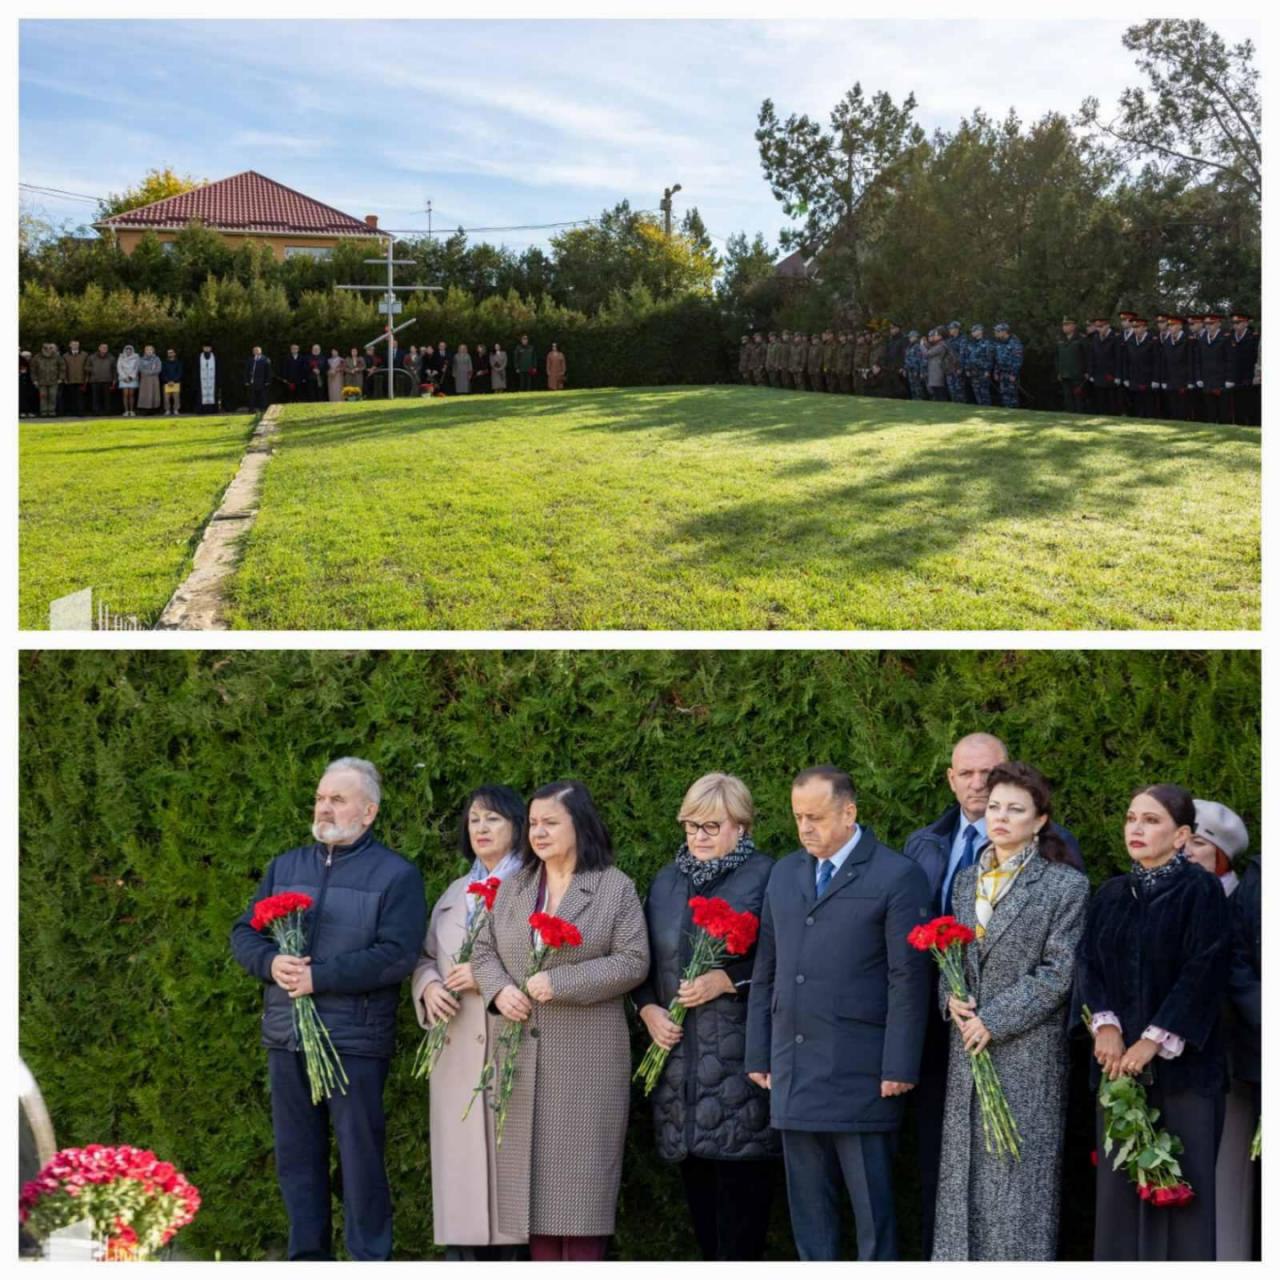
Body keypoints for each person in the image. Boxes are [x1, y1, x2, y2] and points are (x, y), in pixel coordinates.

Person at [229, 758, 427, 1261]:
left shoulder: (397, 875)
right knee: (297, 1162)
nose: (324, 806)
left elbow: (397, 955)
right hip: (286, 1035)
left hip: (354, 1042)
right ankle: (307, 1262)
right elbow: (243, 934)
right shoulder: (285, 866)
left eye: (338, 799)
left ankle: (368, 1262)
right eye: (321, 797)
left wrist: (321, 977)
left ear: (369, 812)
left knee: (360, 1163)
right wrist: (272, 964)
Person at [902, 732, 1082, 1258]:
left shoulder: (1063, 886)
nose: (1000, 816)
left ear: (1039, 820)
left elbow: (1058, 973)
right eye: (996, 807)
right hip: (967, 1049)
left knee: (1015, 1186)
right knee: (961, 1182)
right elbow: (950, 957)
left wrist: (994, 1020)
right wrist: (950, 1000)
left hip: (1025, 1055)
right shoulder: (964, 884)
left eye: (1015, 809)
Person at [745, 765, 931, 1261]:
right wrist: (758, 1053)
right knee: (809, 1212)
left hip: (863, 1070)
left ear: (849, 812)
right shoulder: (784, 872)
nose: (806, 828)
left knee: (873, 1211)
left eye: (817, 817)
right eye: (798, 817)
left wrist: (899, 1065)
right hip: (793, 1065)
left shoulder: (896, 875)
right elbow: (767, 968)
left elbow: (907, 978)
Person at [470, 780, 650, 1262]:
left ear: (580, 825)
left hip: (585, 1068)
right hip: (520, 1066)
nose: (538, 832)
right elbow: (484, 951)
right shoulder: (515, 888)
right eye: (533, 823)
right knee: (533, 1206)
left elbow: (634, 961)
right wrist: (499, 990)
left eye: (551, 822)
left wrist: (563, 982)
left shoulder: (614, 887)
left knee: (581, 1200)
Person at [1075, 784, 1230, 1261]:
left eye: (1151, 820)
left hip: (1184, 1073)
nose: (1136, 829)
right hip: (1117, 1068)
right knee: (1119, 1196)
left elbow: (1204, 970)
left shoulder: (1200, 889)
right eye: (1130, 819)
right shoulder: (1111, 894)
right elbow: (1088, 965)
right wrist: (1106, 1027)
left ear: (1182, 834)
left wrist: (1152, 1041)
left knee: (1184, 1194)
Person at [634, 773, 779, 1261]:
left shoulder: (767, 877)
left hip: (741, 1073)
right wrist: (648, 1008)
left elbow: (788, 965)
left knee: (741, 1232)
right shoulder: (665, 881)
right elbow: (641, 964)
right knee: (702, 1223)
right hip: (680, 1079)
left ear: (740, 826)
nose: (698, 835)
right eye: (691, 825)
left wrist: (728, 980)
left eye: (711, 826)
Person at [412, 786, 529, 1261]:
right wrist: (427, 987)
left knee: (511, 1191)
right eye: (475, 820)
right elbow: (423, 957)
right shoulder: (455, 892)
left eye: (493, 820)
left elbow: (548, 961)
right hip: (456, 1053)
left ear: (518, 827)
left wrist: (487, 978)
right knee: (462, 1189)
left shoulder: (534, 888)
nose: (480, 828)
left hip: (512, 1045)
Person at [1188, 800, 1260, 1260]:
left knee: (1229, 1184)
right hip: (1187, 1065)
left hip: (1238, 1061)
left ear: (1220, 854)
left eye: (1196, 842)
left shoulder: (1243, 900)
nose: (1184, 850)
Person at [1197, 312, 1231, 424]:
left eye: (1211, 323)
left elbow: (1230, 360)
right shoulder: (1202, 339)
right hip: (1207, 379)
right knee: (1210, 410)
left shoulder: (1225, 338)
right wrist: (1199, 377)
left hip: (1221, 379)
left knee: (1223, 411)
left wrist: (1229, 379)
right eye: (1206, 323)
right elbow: (1199, 360)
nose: (1208, 326)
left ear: (1218, 324)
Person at [1227, 311, 1259, 426]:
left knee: (1250, 405)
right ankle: (1239, 425)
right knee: (1237, 406)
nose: (1235, 325)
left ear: (1245, 323)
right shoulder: (1230, 337)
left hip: (1249, 377)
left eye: (1238, 322)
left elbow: (1257, 357)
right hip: (1235, 378)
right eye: (1233, 323)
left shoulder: (1254, 337)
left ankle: (1253, 425)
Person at [1087, 315, 1121, 415]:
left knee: (1111, 401)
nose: (1099, 329)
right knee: (1100, 400)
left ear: (1107, 326)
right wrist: (1091, 372)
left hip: (1111, 374)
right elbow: (1092, 356)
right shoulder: (1095, 338)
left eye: (1101, 326)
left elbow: (1118, 358)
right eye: (1097, 327)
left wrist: (1118, 375)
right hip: (1098, 373)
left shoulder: (1115, 338)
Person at [1125, 317, 1158, 417]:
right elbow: (1127, 361)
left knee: (1148, 406)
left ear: (1145, 328)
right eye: (1134, 327)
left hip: (1147, 378)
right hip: (1134, 378)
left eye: (1137, 327)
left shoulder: (1152, 341)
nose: (1135, 329)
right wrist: (1126, 377)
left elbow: (1156, 362)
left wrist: (1155, 379)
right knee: (1136, 405)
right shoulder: (1130, 341)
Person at [1161, 316, 1192, 420]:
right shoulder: (1167, 341)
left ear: (1180, 326)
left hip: (1183, 380)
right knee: (1172, 407)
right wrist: (1164, 379)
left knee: (1183, 408)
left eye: (1173, 325)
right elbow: (1164, 362)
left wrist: (1190, 380)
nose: (1170, 327)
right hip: (1170, 380)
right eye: (1169, 325)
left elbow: (1191, 362)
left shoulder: (1188, 340)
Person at [1055, 318, 1088, 412]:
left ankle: (1080, 417)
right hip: (1065, 374)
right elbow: (1057, 357)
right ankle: (1070, 416)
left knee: (1078, 398)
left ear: (1074, 326)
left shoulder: (1081, 339)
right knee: (1067, 397)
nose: (1064, 327)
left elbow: (1087, 355)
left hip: (1078, 374)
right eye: (1063, 325)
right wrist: (1059, 371)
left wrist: (1086, 371)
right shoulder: (1060, 339)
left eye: (1067, 324)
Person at [991, 323, 1022, 409]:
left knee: (1012, 395)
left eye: (998, 331)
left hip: (1011, 373)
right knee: (1003, 394)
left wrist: (1014, 374)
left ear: (1005, 332)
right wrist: (996, 372)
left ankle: (1015, 413)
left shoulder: (1015, 343)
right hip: (1002, 373)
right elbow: (997, 359)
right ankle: (1007, 412)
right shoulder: (999, 343)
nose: (996, 333)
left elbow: (1018, 360)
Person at [30, 343, 65, 418]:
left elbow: (62, 368)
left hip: (54, 380)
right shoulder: (37, 357)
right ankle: (44, 412)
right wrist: (34, 380)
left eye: (49, 348)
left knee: (52, 396)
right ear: (42, 349)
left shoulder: (57, 357)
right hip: (41, 381)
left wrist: (61, 378)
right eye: (46, 348)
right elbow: (33, 370)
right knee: (43, 396)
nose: (48, 350)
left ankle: (52, 412)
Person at [963, 324, 994, 406]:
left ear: (980, 331)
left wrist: (987, 370)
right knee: (976, 391)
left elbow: (989, 358)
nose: (972, 333)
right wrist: (967, 369)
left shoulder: (987, 343)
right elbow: (967, 357)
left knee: (984, 391)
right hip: (973, 371)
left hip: (983, 371)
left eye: (974, 331)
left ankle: (987, 408)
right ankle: (980, 407)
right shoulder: (971, 343)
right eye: (972, 331)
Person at [87, 342, 116, 416]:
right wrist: (93, 369)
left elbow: (114, 369)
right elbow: (86, 367)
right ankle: (96, 412)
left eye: (106, 348)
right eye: (103, 347)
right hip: (95, 380)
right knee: (95, 398)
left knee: (107, 398)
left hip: (107, 380)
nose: (104, 349)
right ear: (99, 348)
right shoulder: (92, 357)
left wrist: (114, 379)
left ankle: (107, 412)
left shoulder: (111, 357)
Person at [61, 340, 88, 417]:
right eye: (74, 344)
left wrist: (86, 379)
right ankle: (73, 412)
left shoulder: (84, 355)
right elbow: (63, 368)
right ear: (70, 345)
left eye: (77, 344)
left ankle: (81, 412)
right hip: (70, 379)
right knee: (71, 397)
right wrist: (65, 378)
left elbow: (87, 367)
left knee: (81, 397)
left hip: (81, 379)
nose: (75, 346)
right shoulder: (65, 356)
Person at [943, 321, 967, 403]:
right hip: (950, 368)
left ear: (956, 329)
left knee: (959, 389)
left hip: (957, 368)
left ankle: (962, 407)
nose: (949, 330)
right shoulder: (949, 340)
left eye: (951, 328)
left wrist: (960, 367)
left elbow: (962, 355)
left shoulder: (962, 339)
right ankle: (955, 406)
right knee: (952, 389)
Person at [136, 345, 162, 415]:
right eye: (147, 350)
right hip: (145, 380)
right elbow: (140, 368)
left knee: (154, 393)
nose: (149, 351)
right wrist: (148, 373)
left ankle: (154, 409)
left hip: (154, 379)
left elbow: (159, 369)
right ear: (145, 351)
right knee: (145, 394)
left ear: (153, 351)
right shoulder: (141, 359)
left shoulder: (157, 359)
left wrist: (151, 373)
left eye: (150, 350)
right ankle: (145, 409)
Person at [244, 345, 272, 412]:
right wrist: (246, 380)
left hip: (262, 381)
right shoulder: (250, 359)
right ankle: (251, 409)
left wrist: (268, 380)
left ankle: (263, 409)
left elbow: (269, 371)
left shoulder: (265, 359)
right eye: (254, 350)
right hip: (252, 381)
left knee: (262, 396)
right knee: (252, 397)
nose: (256, 352)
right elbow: (246, 371)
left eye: (257, 350)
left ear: (260, 351)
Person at [116, 344, 140, 418]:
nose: (128, 351)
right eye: (127, 349)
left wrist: (131, 377)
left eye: (130, 350)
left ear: (132, 350)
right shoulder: (121, 356)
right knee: (125, 394)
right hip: (123, 378)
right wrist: (124, 377)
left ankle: (132, 411)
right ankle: (126, 411)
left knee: (131, 395)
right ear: (125, 350)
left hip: (133, 378)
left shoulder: (136, 357)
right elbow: (119, 367)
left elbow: (137, 368)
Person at [160, 348, 183, 416]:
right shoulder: (164, 363)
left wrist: (174, 381)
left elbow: (180, 373)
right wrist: (168, 381)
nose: (170, 354)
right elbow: (163, 373)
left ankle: (176, 410)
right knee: (166, 398)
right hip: (166, 383)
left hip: (176, 383)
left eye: (171, 352)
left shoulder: (179, 362)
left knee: (176, 397)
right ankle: (167, 410)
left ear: (174, 353)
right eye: (169, 352)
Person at [197, 344, 218, 413]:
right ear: (203, 348)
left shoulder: (215, 357)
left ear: (211, 349)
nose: (207, 349)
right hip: (202, 381)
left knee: (213, 394)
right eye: (205, 348)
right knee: (201, 395)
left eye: (208, 348)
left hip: (212, 380)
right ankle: (201, 410)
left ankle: (212, 410)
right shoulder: (199, 357)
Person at [19, 350, 38, 418]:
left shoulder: (33, 362)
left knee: (31, 397)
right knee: (22, 398)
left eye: (29, 356)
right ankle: (23, 412)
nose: (27, 357)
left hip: (31, 382)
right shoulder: (21, 362)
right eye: (25, 356)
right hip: (22, 382)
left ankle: (30, 411)